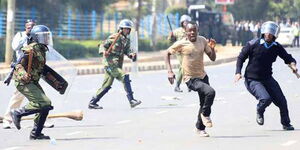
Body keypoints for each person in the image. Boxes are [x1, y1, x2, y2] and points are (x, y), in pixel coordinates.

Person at [235, 21, 298, 130]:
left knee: (282, 101)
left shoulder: (276, 47)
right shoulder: (253, 44)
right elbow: (241, 57)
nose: (268, 34)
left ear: (274, 34)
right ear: (263, 32)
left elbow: (288, 58)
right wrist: (238, 72)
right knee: (265, 98)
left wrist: (293, 65)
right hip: (252, 80)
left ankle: (286, 123)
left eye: (271, 33)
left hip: (267, 78)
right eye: (267, 32)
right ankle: (260, 110)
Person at [165, 22, 217, 137]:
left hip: (203, 76)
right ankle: (205, 115)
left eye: (194, 30)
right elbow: (167, 53)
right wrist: (169, 71)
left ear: (197, 31)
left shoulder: (202, 40)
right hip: (191, 78)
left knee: (204, 102)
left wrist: (212, 49)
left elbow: (212, 58)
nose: (192, 32)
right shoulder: (181, 43)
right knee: (211, 92)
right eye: (190, 31)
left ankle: (200, 128)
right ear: (186, 32)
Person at [2, 19, 54, 129]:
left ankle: (40, 122)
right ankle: (8, 118)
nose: (30, 29)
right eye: (28, 27)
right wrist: (26, 36)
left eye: (32, 27)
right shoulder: (22, 37)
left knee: (41, 99)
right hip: (24, 76)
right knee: (18, 97)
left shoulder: (40, 47)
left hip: (33, 75)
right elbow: (16, 48)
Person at [88, 19, 141, 109]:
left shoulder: (126, 41)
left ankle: (93, 102)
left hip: (116, 64)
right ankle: (131, 100)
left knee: (107, 85)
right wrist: (103, 52)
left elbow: (127, 51)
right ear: (121, 29)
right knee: (124, 77)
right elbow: (102, 45)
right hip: (109, 63)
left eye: (128, 29)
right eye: (125, 29)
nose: (127, 31)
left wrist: (131, 55)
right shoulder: (114, 37)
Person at [168, 14, 191, 92]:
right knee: (183, 66)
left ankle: (188, 85)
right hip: (179, 52)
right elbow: (170, 41)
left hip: (188, 51)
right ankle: (178, 85)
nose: (186, 23)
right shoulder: (177, 31)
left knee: (188, 67)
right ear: (181, 22)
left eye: (187, 21)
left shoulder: (191, 30)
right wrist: (171, 36)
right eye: (184, 22)